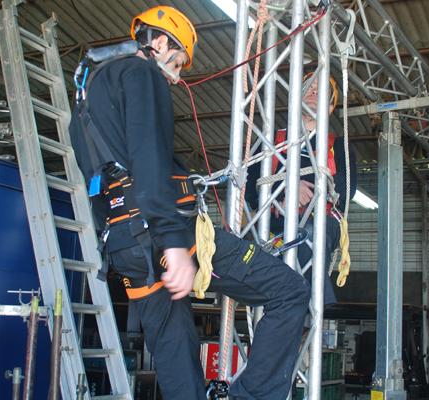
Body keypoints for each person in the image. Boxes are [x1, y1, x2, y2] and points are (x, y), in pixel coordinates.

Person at [68, 6, 310, 400]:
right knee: (290, 292)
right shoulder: (143, 72)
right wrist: (174, 245)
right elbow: (149, 161)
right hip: (169, 234)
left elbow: (101, 179)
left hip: (125, 248)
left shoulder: (87, 98)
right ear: (159, 42)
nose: (177, 77)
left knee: (173, 347)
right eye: (178, 63)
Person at [246, 73, 357, 307]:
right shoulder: (268, 142)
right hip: (274, 219)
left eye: (321, 89)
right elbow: (248, 189)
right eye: (309, 86)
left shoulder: (339, 146)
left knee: (309, 234)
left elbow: (346, 193)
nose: (314, 90)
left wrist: (310, 195)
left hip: (320, 222)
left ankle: (309, 314)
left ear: (329, 107)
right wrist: (283, 192)